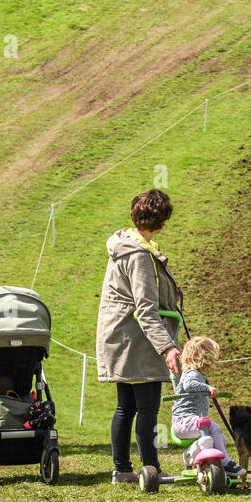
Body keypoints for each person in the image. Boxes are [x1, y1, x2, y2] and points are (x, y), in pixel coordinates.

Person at [96, 189, 182, 485]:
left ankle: (122, 469)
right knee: (146, 407)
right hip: (135, 340)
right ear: (160, 221)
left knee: (127, 406)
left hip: (122, 337)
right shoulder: (139, 255)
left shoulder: (127, 243)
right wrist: (168, 348)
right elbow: (145, 308)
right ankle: (151, 469)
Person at [170, 335, 245, 480]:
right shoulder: (192, 374)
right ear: (205, 357)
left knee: (217, 432)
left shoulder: (198, 374)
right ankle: (192, 456)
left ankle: (225, 462)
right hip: (183, 422)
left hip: (194, 422)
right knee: (208, 428)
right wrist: (208, 388)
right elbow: (189, 385)